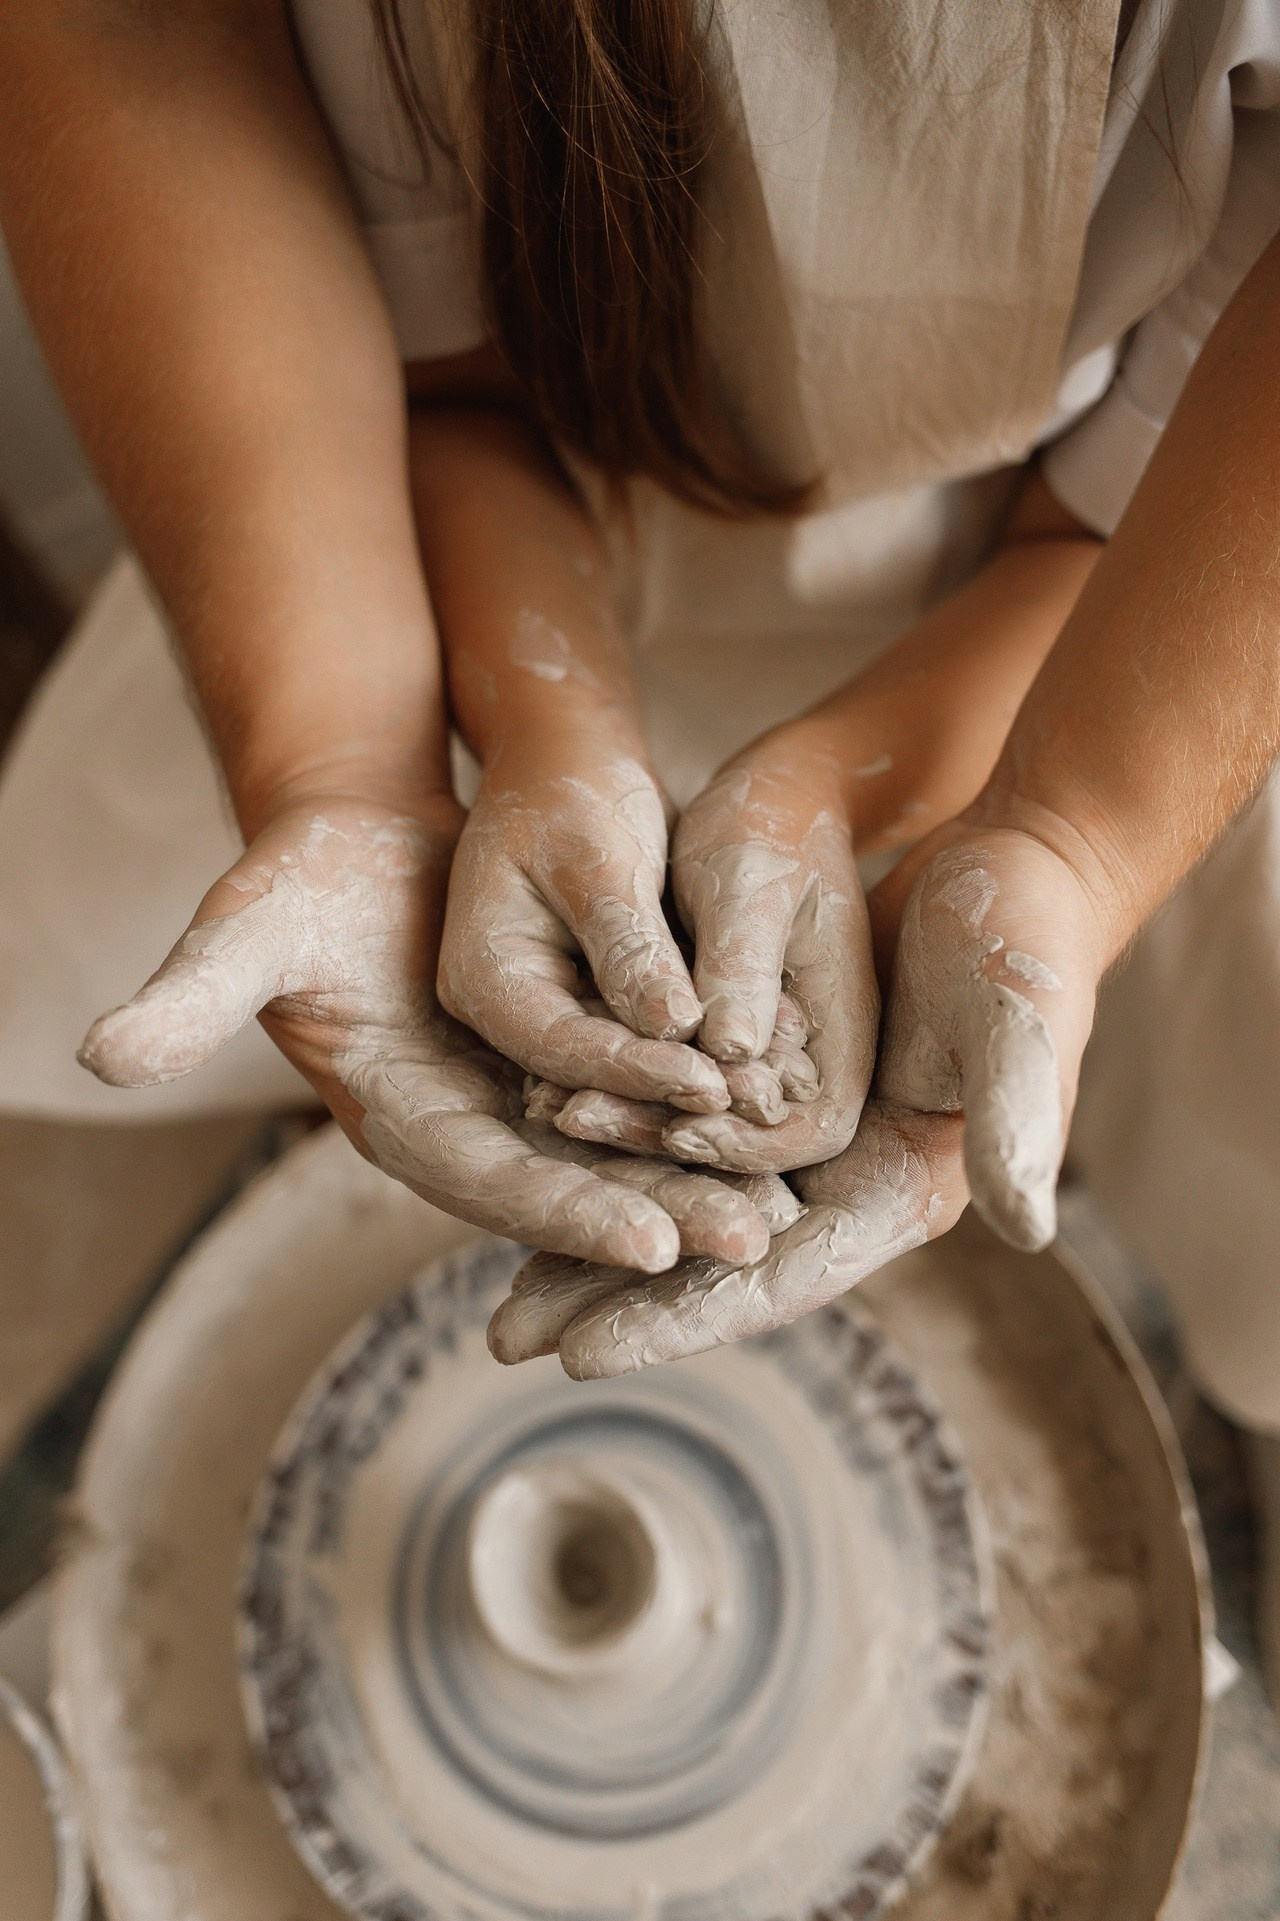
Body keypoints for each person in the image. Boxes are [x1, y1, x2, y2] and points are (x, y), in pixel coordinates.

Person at [1, 0, 1280, 1686]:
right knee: (70, 953)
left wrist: (1059, 833)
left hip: (1139, 595)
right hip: (399, 506)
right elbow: (428, 376)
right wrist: (363, 766)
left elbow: (1108, 523)